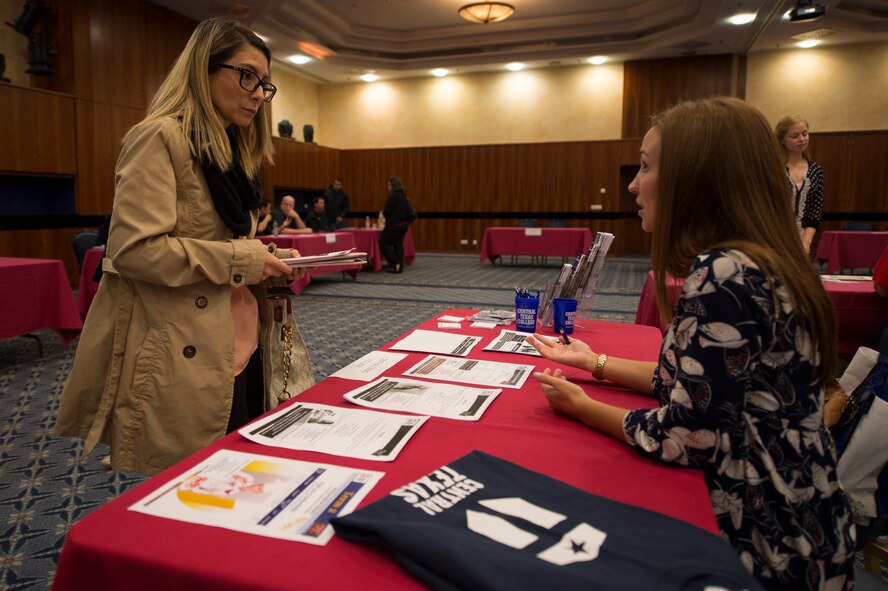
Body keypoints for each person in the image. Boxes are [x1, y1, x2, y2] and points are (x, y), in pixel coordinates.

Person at [528, 97, 855, 590]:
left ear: (696, 178)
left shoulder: (726, 273)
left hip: (772, 540)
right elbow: (684, 383)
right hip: (808, 517)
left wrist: (581, 406)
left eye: (645, 167)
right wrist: (593, 361)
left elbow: (685, 435)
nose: (634, 185)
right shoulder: (757, 259)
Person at [54, 17, 305, 475]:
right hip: (184, 347)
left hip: (238, 335)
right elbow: (133, 251)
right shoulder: (159, 137)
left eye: (265, 84)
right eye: (246, 75)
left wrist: (266, 258)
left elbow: (221, 241)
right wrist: (244, 258)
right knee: (193, 489)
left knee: (239, 475)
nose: (257, 92)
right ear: (202, 70)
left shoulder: (233, 149)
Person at [776, 115, 824, 254]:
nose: (802, 139)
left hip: (802, 236)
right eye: (795, 136)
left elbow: (815, 210)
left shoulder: (816, 170)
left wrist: (806, 243)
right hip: (774, 235)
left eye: (805, 134)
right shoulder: (774, 168)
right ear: (782, 139)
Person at [379, 176, 410, 274]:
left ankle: (396, 263)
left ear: (393, 186)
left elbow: (387, 210)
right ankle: (399, 266)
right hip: (404, 225)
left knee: (383, 243)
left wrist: (384, 214)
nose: (388, 187)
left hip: (393, 225)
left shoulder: (393, 196)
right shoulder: (404, 196)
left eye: (389, 185)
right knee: (398, 245)